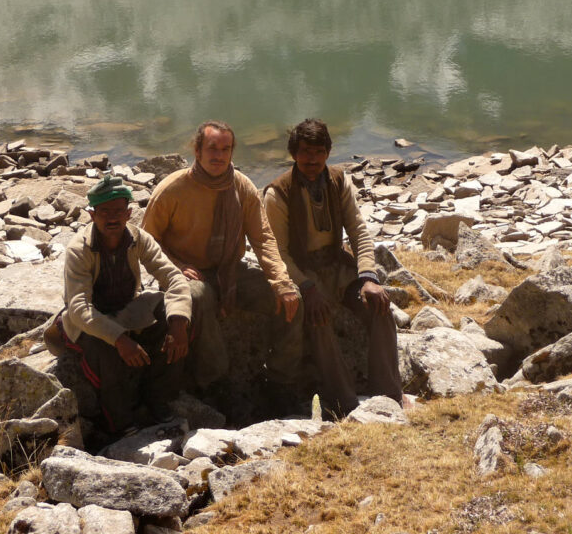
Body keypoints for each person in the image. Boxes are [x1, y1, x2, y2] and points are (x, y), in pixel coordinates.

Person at [142, 120, 303, 415]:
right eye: (212, 148)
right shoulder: (172, 189)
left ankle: (281, 380)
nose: (219, 156)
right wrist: (176, 266)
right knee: (199, 296)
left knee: (292, 299)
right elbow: (146, 242)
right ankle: (216, 384)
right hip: (185, 275)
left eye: (225, 149)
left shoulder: (241, 187)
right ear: (197, 150)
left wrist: (282, 282)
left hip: (229, 272)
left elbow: (263, 238)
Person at [264, 118, 403, 417]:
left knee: (380, 308)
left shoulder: (339, 181)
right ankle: (345, 403)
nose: (311, 159)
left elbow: (358, 231)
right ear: (293, 154)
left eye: (318, 151)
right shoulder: (278, 194)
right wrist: (306, 287)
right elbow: (279, 253)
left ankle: (389, 395)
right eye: (304, 152)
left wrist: (368, 276)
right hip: (305, 273)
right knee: (319, 320)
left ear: (327, 152)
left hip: (339, 268)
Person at [53, 174, 192, 440]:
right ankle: (118, 421)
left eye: (118, 211)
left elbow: (173, 278)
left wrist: (178, 322)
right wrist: (119, 339)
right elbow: (79, 308)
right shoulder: (78, 250)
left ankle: (157, 398)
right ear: (92, 215)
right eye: (105, 212)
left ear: (129, 213)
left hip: (126, 309)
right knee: (106, 351)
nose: (112, 218)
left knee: (173, 317)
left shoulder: (139, 239)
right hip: (90, 319)